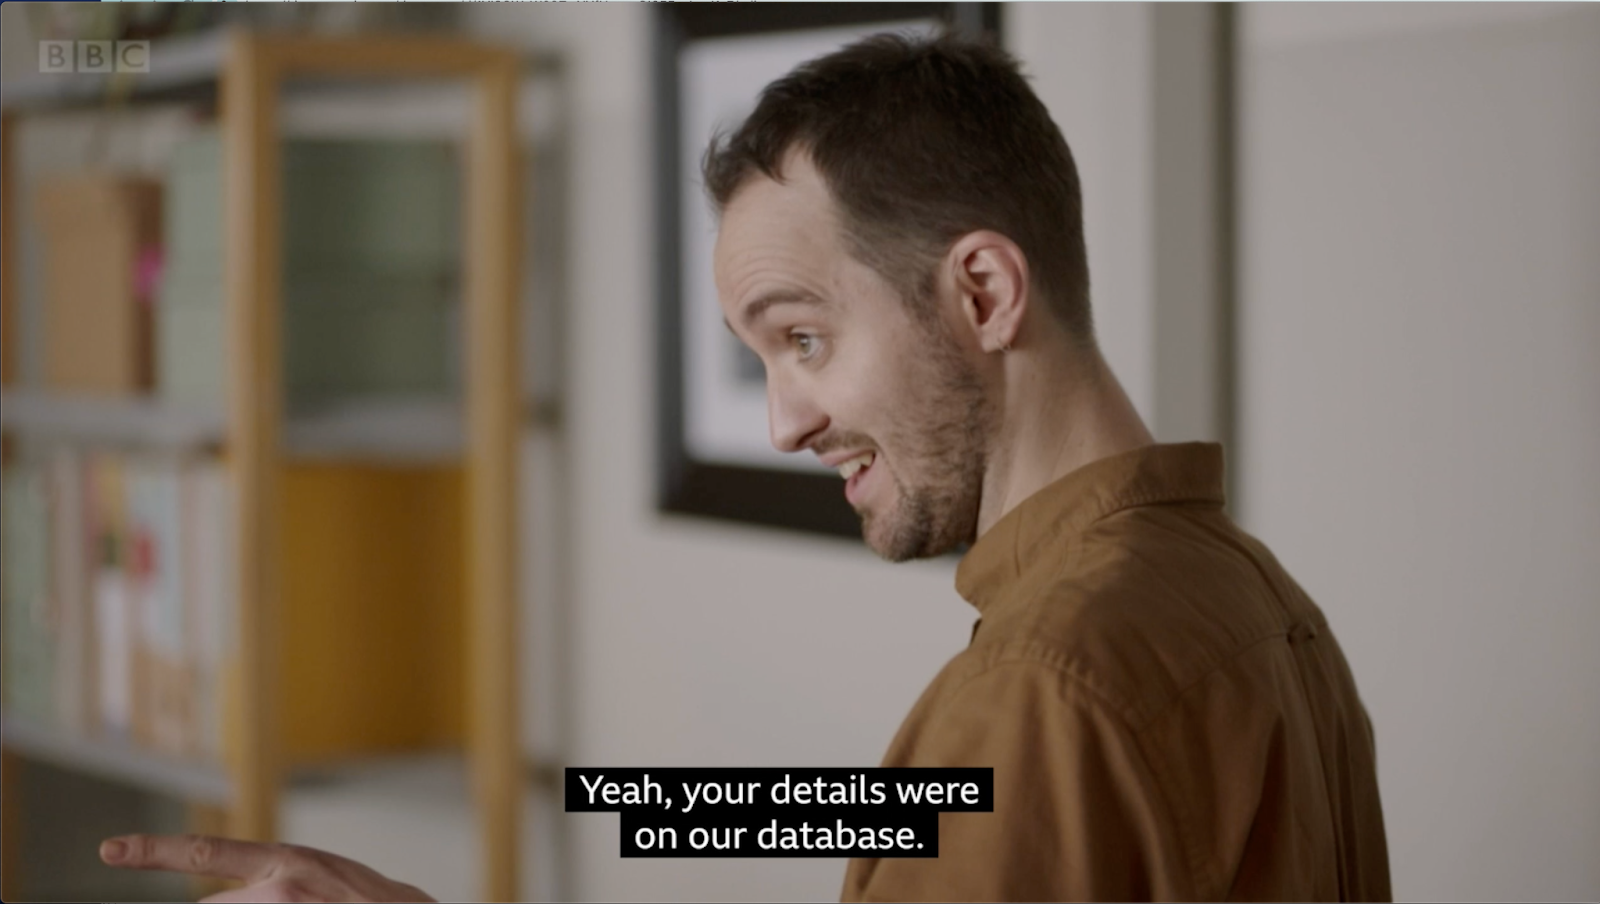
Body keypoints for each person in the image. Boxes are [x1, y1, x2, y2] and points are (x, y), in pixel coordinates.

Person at [100, 32, 1391, 903]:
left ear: (985, 291)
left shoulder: (1043, 683)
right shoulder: (1246, 595)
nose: (785, 421)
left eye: (805, 339)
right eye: (761, 359)